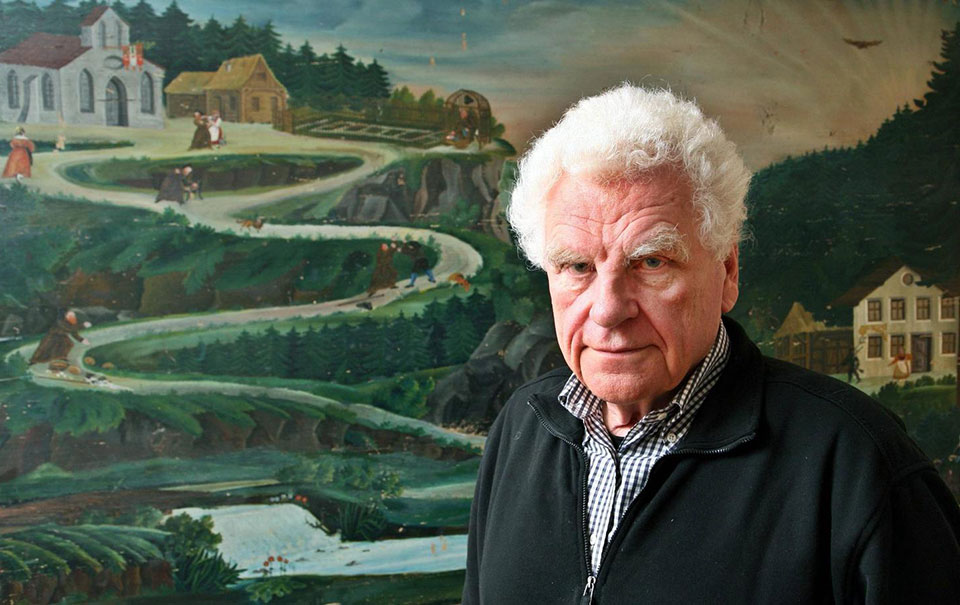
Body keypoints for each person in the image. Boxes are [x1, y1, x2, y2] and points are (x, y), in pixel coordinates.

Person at [463, 84, 960, 604]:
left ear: (726, 272)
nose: (608, 308)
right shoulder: (519, 428)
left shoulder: (860, 464)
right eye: (577, 267)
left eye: (651, 262)